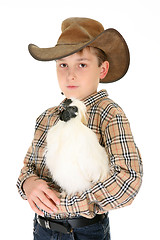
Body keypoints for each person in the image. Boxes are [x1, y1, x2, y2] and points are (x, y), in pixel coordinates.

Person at [17, 17, 143, 240]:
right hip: (42, 230)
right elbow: (29, 168)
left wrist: (62, 204)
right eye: (63, 64)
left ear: (102, 69)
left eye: (82, 64)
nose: (70, 74)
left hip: (83, 232)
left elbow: (127, 181)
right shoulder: (46, 118)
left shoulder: (109, 114)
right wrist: (29, 184)